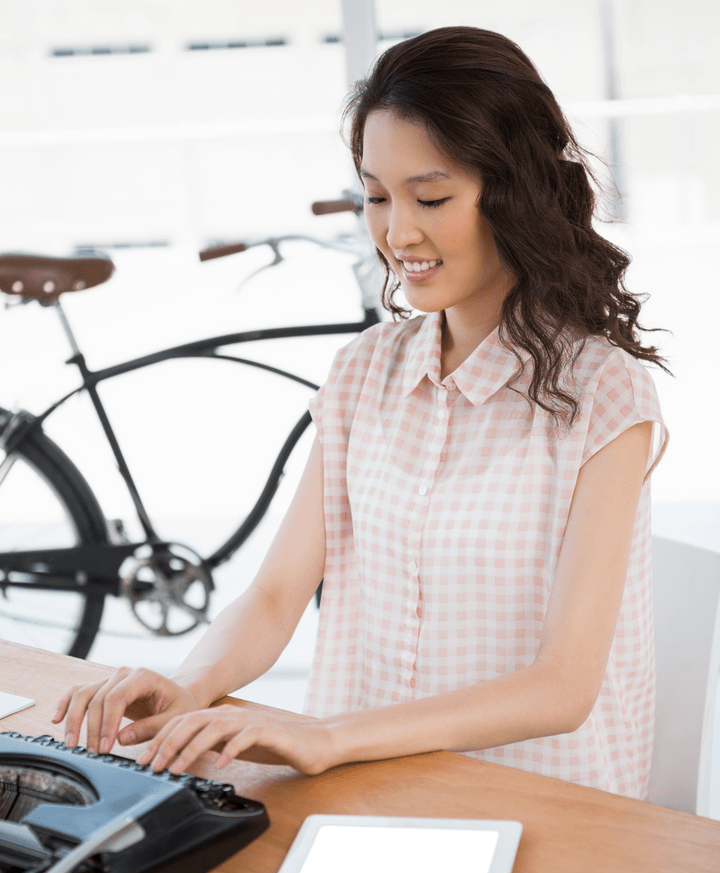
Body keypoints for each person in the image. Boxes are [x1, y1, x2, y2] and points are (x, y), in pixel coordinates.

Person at [54, 26, 670, 799]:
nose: (396, 232)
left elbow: (564, 684)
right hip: (363, 792)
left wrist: (326, 736)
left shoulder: (604, 392)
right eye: (376, 196)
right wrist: (189, 684)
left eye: (432, 197)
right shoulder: (362, 372)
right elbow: (278, 592)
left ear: (516, 196)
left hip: (536, 803)